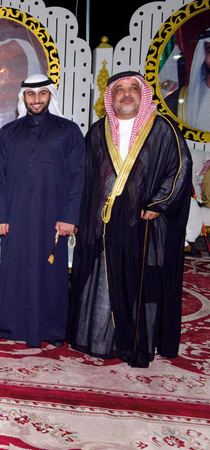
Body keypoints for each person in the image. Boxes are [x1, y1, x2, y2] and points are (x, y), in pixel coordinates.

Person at [68, 71, 192, 368]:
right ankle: (102, 340)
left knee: (140, 284)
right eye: (120, 89)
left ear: (142, 94)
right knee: (103, 280)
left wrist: (159, 202)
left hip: (144, 222)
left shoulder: (162, 129)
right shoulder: (98, 131)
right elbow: (84, 176)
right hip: (104, 223)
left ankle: (135, 343)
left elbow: (180, 168)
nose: (126, 94)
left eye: (133, 88)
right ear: (110, 97)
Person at [0, 75, 85, 348]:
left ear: (50, 96)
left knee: (52, 273)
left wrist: (69, 217)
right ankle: (9, 325)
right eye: (31, 94)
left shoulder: (68, 131)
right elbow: (0, 177)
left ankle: (52, 329)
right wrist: (0, 216)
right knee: (13, 271)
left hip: (53, 216)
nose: (36, 99)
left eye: (42, 93)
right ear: (23, 97)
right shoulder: (8, 132)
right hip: (16, 215)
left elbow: (78, 176)